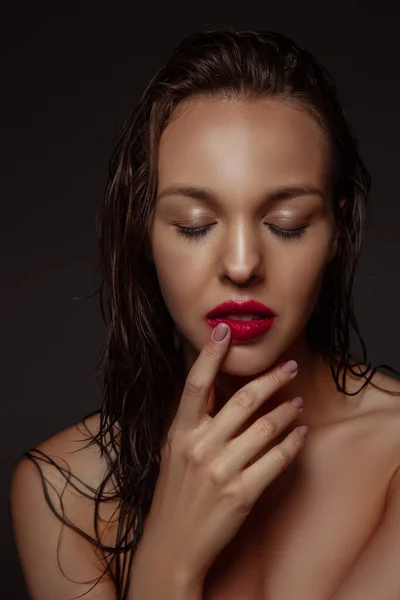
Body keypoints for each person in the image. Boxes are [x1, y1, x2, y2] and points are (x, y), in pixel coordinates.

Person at [9, 26, 400, 600]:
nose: (242, 265)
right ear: (144, 233)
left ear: (337, 231)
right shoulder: (65, 490)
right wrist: (171, 558)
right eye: (194, 224)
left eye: (285, 224)